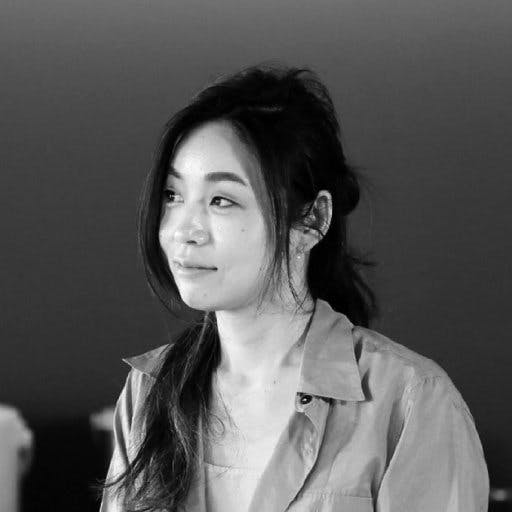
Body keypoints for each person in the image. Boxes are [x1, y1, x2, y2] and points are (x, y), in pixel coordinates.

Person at [99, 64, 489, 512]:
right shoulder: (148, 394)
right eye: (173, 195)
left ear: (312, 220)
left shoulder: (412, 402)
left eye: (221, 200)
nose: (184, 230)